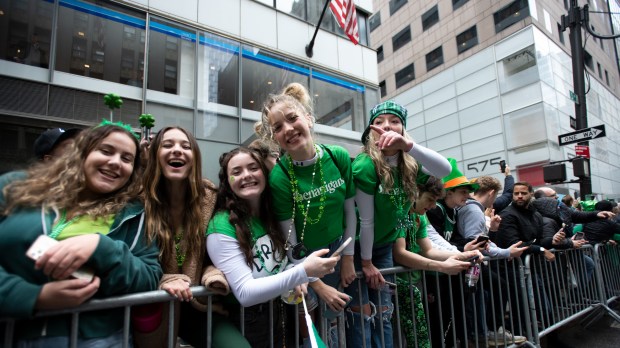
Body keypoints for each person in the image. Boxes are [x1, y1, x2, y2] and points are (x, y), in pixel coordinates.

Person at [0, 122, 162, 346]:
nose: (115, 162)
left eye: (126, 159)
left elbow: (148, 278)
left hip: (99, 339)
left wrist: (102, 247)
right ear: (82, 153)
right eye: (105, 151)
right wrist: (33, 296)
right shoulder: (14, 187)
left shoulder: (134, 213)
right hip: (13, 332)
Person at [207, 147, 339, 347]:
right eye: (237, 172)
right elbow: (245, 293)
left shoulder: (270, 216)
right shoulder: (221, 225)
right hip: (248, 321)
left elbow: (275, 265)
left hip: (280, 312)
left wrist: (297, 273)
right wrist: (302, 272)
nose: (247, 175)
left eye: (253, 168)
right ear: (227, 182)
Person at [256, 83, 356, 345]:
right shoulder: (279, 178)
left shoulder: (338, 157)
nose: (287, 129)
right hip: (304, 261)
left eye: (292, 118)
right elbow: (289, 240)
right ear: (275, 138)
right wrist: (316, 283)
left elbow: (351, 211)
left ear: (308, 119)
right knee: (315, 333)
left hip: (339, 251)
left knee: (343, 322)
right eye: (278, 127)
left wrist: (348, 258)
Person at [347, 100, 451, 348]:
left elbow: (444, 169)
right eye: (380, 122)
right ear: (371, 131)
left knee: (384, 312)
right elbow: (367, 220)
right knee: (361, 315)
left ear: (403, 129)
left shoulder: (411, 165)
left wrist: (409, 146)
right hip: (358, 248)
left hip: (382, 246)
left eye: (395, 121)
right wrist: (366, 263)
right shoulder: (365, 165)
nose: (388, 126)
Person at [138, 126, 225, 348]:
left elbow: (212, 256)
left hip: (198, 306)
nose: (177, 150)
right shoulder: (138, 201)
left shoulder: (210, 198)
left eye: (185, 146)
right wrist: (165, 280)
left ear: (194, 157)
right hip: (152, 308)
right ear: (155, 154)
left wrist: (212, 275)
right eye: (168, 145)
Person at [392, 175, 482, 348]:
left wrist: (462, 255)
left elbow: (429, 250)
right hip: (396, 285)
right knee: (398, 335)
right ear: (415, 193)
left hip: (414, 282)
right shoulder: (400, 212)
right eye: (430, 200)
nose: (433, 206)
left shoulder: (420, 216)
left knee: (416, 336)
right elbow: (400, 254)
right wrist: (442, 266)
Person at [456, 176, 528, 345]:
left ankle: (489, 331)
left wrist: (495, 237)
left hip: (471, 262)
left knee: (488, 293)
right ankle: (492, 331)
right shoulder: (474, 211)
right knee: (499, 287)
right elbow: (478, 243)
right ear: (491, 193)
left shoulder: (471, 209)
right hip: (472, 263)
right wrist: (506, 252)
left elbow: (481, 241)